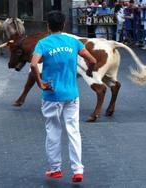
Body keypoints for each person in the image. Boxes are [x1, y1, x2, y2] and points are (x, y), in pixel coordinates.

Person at [30, 10, 97, 183]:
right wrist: (89, 71)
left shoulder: (43, 44)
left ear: (48, 26)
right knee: (73, 130)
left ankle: (55, 169)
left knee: (53, 130)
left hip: (51, 95)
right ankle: (78, 170)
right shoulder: (73, 42)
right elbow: (93, 60)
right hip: (72, 95)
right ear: (64, 25)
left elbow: (33, 63)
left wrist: (40, 83)